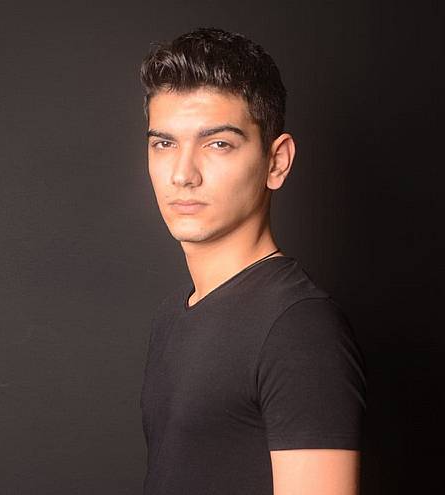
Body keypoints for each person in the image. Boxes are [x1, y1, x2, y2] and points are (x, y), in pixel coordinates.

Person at [138, 27, 367, 495]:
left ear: (276, 162)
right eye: (164, 143)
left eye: (218, 143)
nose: (182, 174)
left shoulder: (300, 329)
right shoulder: (172, 316)